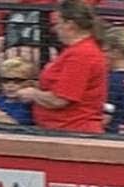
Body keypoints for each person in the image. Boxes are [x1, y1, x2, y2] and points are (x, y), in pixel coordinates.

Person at [13, 0, 108, 133]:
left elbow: (60, 99)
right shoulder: (75, 51)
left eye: (57, 23)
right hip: (62, 131)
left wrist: (33, 94)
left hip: (74, 132)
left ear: (69, 24)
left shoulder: (82, 54)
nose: (54, 29)